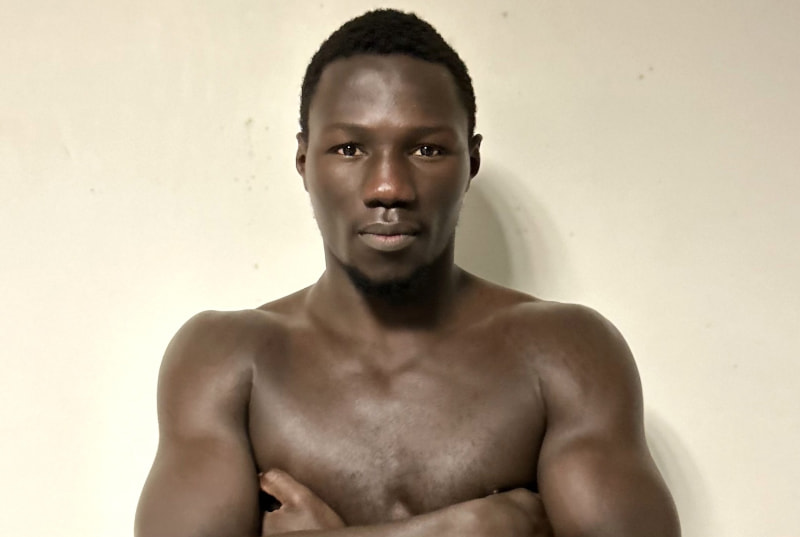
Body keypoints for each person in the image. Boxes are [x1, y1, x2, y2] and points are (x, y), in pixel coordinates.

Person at [135, 9, 680, 537]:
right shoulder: (228, 358)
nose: (389, 187)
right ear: (304, 160)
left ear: (471, 162)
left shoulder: (564, 352)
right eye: (350, 148)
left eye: (426, 149)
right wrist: (471, 527)